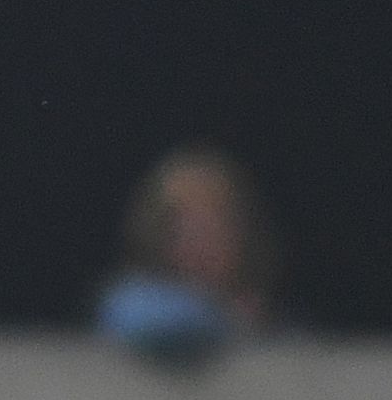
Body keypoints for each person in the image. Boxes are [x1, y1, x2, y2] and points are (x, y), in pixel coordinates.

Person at [93, 146, 277, 362]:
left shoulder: (275, 324)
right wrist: (228, 319)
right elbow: (142, 323)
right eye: (186, 233)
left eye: (213, 231)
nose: (201, 248)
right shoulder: (132, 302)